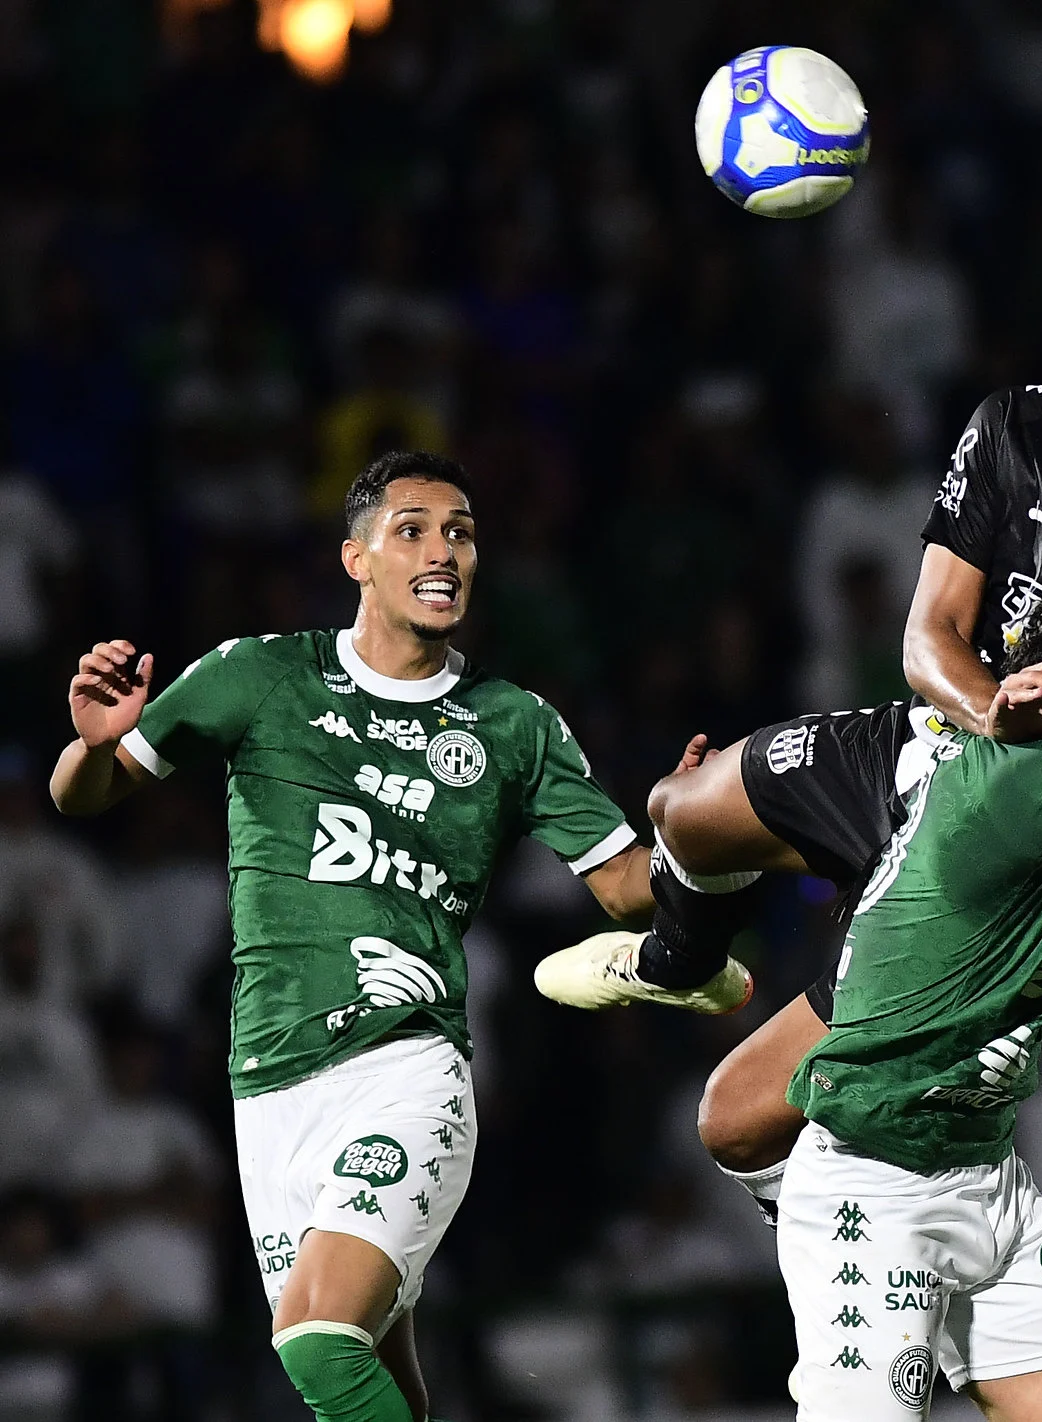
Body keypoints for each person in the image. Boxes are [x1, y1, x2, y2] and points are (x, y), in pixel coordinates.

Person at [542, 254, 1042, 1191]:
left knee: (738, 1121)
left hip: (1016, 830)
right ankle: (676, 957)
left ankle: (867, 1233)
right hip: (940, 739)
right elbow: (928, 637)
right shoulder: (1022, 429)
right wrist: (993, 710)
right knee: (684, 808)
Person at [46, 451, 690, 1422]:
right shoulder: (257, 676)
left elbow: (629, 892)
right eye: (414, 529)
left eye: (462, 532)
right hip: (267, 1087)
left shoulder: (512, 724)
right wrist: (93, 745)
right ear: (355, 559)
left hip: (406, 1066)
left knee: (314, 1339)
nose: (444, 550)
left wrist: (698, 824)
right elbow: (83, 796)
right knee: (373, 1382)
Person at [551, 585, 1042, 1421]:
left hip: (990, 1177)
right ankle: (675, 956)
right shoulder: (1038, 776)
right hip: (875, 1183)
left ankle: (683, 956)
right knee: (733, 1113)